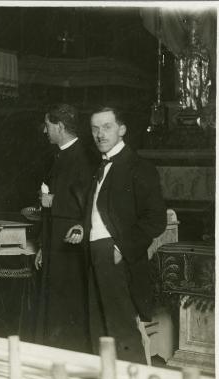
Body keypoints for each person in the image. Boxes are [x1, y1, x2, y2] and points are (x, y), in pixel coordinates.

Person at [84, 106, 166, 364]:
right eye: (95, 129)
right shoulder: (99, 166)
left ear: (122, 129)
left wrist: (121, 249)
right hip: (95, 253)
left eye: (107, 127)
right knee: (100, 327)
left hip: (118, 255)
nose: (100, 134)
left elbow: (156, 220)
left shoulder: (139, 167)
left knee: (122, 329)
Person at [34, 104, 95, 353]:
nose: (45, 130)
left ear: (59, 126)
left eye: (48, 126)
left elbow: (90, 202)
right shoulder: (58, 155)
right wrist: (42, 245)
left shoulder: (84, 156)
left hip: (71, 244)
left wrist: (53, 200)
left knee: (68, 306)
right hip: (54, 244)